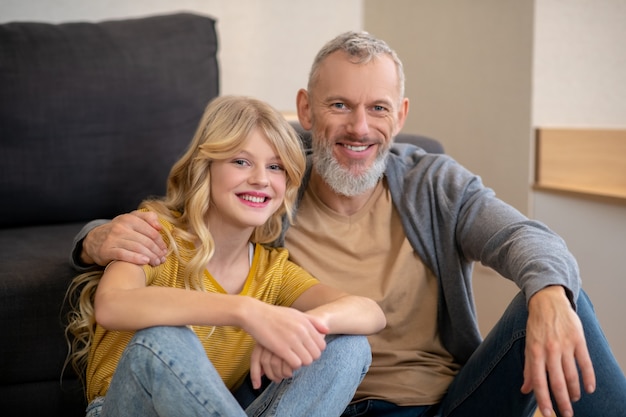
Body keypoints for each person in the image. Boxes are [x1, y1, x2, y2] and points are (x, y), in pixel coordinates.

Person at [70, 33, 626, 417]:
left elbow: (525, 238)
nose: (360, 128)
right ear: (307, 111)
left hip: (439, 404)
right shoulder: (277, 191)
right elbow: (179, 214)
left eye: (378, 109)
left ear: (401, 116)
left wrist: (551, 293)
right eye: (340, 105)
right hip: (317, 404)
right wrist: (93, 238)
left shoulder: (434, 184)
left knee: (562, 298)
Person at [64, 95, 386, 417]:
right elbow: (112, 305)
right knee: (163, 337)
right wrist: (246, 311)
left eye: (275, 167)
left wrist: (298, 326)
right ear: (206, 168)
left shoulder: (271, 271)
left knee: (347, 346)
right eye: (241, 161)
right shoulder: (153, 234)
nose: (261, 178)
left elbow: (369, 312)